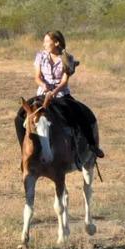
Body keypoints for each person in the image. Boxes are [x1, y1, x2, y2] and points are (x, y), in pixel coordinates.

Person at [21, 30, 104, 159]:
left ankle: (92, 145)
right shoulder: (40, 56)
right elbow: (37, 77)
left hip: (61, 95)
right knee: (19, 116)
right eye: (44, 41)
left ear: (56, 42)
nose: (44, 44)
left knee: (81, 113)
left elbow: (64, 81)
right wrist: (44, 86)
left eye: (47, 41)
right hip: (42, 94)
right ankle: (25, 151)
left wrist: (54, 92)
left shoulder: (67, 58)